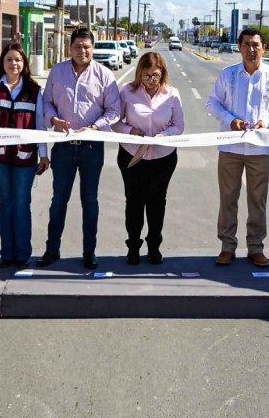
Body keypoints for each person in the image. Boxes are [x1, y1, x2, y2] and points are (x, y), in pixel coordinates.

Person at [205, 28, 269, 268]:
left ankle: (255, 247)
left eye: (256, 45)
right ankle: (227, 246)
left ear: (264, 48)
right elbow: (212, 103)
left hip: (260, 150)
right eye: (246, 45)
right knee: (228, 198)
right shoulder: (227, 74)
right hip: (230, 147)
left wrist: (267, 121)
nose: (251, 49)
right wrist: (230, 120)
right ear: (239, 47)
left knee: (257, 200)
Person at [38, 27, 121, 270]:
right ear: (70, 48)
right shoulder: (58, 71)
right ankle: (52, 249)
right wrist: (54, 120)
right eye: (77, 46)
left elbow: (114, 111)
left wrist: (95, 127)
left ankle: (89, 252)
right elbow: (47, 102)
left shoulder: (105, 75)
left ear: (92, 48)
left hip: (92, 148)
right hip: (63, 147)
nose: (82, 51)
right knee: (58, 201)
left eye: (86, 46)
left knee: (90, 201)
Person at [0, 42, 50, 270]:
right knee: (6, 203)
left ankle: (22, 254)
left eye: (18, 60)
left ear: (24, 63)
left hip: (25, 156)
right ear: (2, 62)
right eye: (9, 59)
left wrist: (43, 154)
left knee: (21, 203)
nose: (14, 64)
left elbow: (40, 123)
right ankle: (6, 253)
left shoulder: (34, 90)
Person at [112, 51, 185, 265]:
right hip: (132, 155)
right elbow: (115, 122)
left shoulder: (172, 94)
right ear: (139, 74)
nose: (151, 81)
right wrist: (130, 130)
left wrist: (164, 136)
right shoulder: (127, 92)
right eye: (146, 76)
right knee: (134, 202)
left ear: (162, 73)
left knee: (157, 203)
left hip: (163, 157)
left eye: (155, 75)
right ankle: (133, 247)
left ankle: (154, 247)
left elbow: (179, 125)